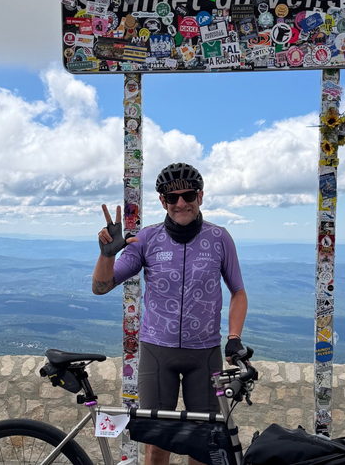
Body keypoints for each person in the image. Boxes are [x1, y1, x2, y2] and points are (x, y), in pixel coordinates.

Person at [92, 163, 248, 465]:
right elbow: (102, 286)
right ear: (162, 201)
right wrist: (106, 254)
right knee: (156, 445)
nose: (181, 203)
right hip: (156, 352)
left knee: (203, 445)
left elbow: (238, 291)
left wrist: (234, 338)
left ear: (200, 196)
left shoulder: (219, 238)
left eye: (188, 195)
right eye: (171, 197)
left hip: (204, 353)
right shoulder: (147, 239)